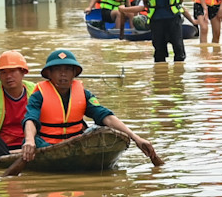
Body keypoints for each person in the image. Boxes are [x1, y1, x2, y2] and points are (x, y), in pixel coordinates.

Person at [21, 49, 162, 166]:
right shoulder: (39, 94)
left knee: (101, 132)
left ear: (74, 73)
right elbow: (30, 119)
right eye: (57, 69)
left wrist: (136, 137)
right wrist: (29, 141)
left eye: (68, 69)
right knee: (35, 143)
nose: (63, 74)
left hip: (76, 144)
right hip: (47, 144)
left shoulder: (83, 93)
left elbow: (105, 115)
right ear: (49, 74)